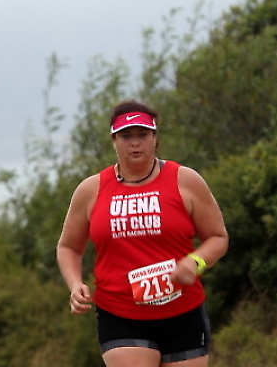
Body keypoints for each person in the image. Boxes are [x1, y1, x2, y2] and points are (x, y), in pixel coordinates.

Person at [57, 100, 229, 367]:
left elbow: (218, 238)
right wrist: (74, 284)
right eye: (126, 136)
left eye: (142, 134)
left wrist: (195, 262)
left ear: (155, 138)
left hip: (183, 312)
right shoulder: (91, 189)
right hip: (121, 315)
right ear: (114, 141)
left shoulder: (185, 180)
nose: (135, 143)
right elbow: (68, 246)